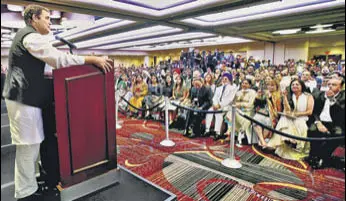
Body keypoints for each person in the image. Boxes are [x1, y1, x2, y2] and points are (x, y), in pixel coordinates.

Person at [2, 4, 113, 201]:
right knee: (28, 145)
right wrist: (91, 59)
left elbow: (43, 66)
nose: (49, 22)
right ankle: (25, 193)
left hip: (25, 98)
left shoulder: (27, 37)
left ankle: (28, 187)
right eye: (46, 18)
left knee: (32, 145)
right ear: (34, 18)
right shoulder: (30, 36)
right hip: (23, 100)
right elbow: (58, 59)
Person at [267, 79, 314, 161]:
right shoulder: (289, 96)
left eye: (297, 84)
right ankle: (289, 140)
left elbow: (309, 112)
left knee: (288, 120)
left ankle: (284, 141)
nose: (294, 86)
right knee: (284, 118)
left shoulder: (308, 96)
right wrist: (284, 97)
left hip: (302, 118)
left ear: (302, 86)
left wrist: (296, 114)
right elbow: (287, 110)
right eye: (293, 85)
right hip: (290, 117)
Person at [307, 78, 345, 169]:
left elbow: (341, 114)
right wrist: (318, 122)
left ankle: (323, 156)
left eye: (334, 84)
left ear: (340, 87)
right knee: (312, 130)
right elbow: (314, 112)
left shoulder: (343, 97)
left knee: (338, 134)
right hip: (320, 121)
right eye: (329, 84)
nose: (330, 86)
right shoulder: (319, 95)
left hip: (336, 123)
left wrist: (332, 100)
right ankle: (314, 155)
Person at [205, 73, 237, 141]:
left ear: (230, 80)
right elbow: (214, 98)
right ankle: (207, 130)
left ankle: (218, 132)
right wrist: (215, 104)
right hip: (216, 105)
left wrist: (219, 105)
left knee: (218, 113)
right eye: (223, 78)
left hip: (226, 106)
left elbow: (229, 99)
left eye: (226, 79)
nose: (224, 80)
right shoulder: (219, 88)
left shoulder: (233, 88)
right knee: (209, 111)